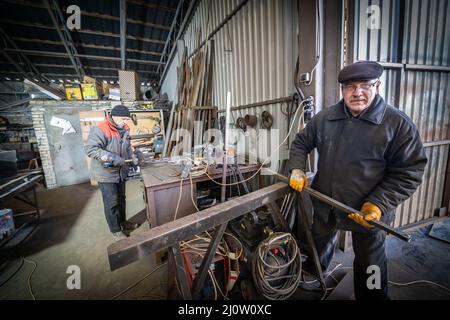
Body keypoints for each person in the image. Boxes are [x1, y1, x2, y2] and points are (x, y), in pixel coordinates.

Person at [287, 61, 427, 299]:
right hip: (326, 202)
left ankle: (372, 294)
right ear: (342, 89)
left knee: (370, 259)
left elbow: (409, 171)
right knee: (319, 241)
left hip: (368, 212)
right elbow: (301, 143)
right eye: (350, 86)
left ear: (377, 86)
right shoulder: (326, 118)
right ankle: (315, 272)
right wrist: (297, 169)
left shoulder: (397, 125)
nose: (357, 92)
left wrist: (379, 204)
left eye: (365, 85)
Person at [84, 105, 139, 241]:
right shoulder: (101, 129)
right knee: (111, 202)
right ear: (114, 116)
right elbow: (90, 149)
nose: (126, 122)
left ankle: (123, 222)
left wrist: (132, 158)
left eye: (127, 119)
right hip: (106, 173)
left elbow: (127, 147)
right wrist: (113, 158)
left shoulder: (125, 128)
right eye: (123, 119)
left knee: (121, 199)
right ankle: (115, 231)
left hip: (120, 171)